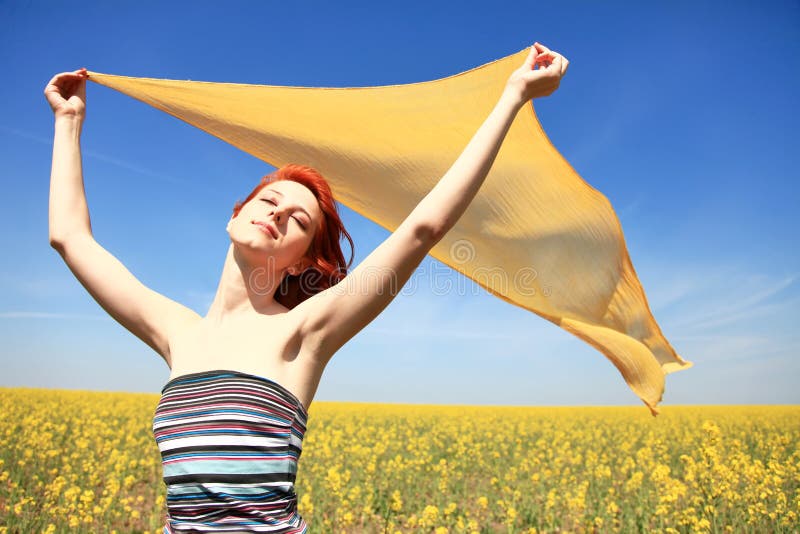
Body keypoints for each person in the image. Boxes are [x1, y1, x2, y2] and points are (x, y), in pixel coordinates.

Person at [45, 42, 568, 533]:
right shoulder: (177, 333)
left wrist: (513, 97)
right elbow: (70, 238)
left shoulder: (305, 333)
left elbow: (422, 228)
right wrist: (68, 122)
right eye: (269, 202)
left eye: (298, 220)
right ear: (238, 213)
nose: (278, 214)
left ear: (301, 264)